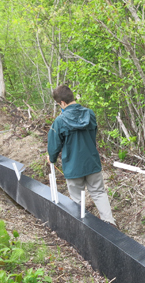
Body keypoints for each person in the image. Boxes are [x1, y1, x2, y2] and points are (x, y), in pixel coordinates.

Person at [47, 85, 116, 226]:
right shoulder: (90, 114)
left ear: (62, 103)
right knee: (99, 193)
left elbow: (54, 146)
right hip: (92, 163)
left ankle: (82, 227)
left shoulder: (59, 121)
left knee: (77, 200)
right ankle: (110, 223)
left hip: (73, 167)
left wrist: (51, 159)